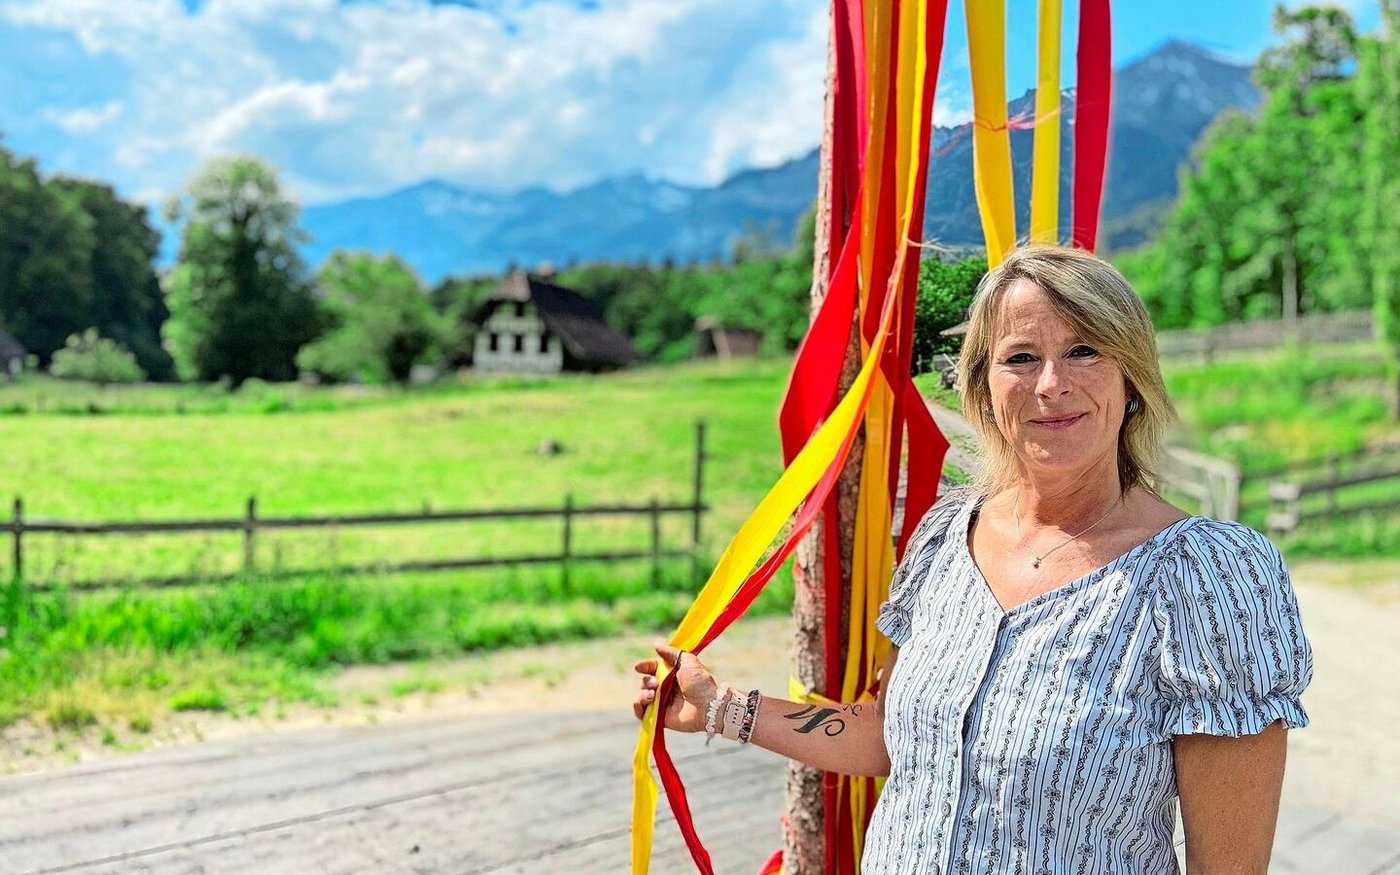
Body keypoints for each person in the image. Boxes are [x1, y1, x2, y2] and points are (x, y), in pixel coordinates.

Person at [632, 245, 1312, 874]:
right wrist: (721, 706)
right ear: (984, 386)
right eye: (1020, 357)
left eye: (1084, 351)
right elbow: (886, 735)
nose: (1051, 383)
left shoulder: (1206, 577)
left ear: (1131, 377)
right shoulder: (946, 535)